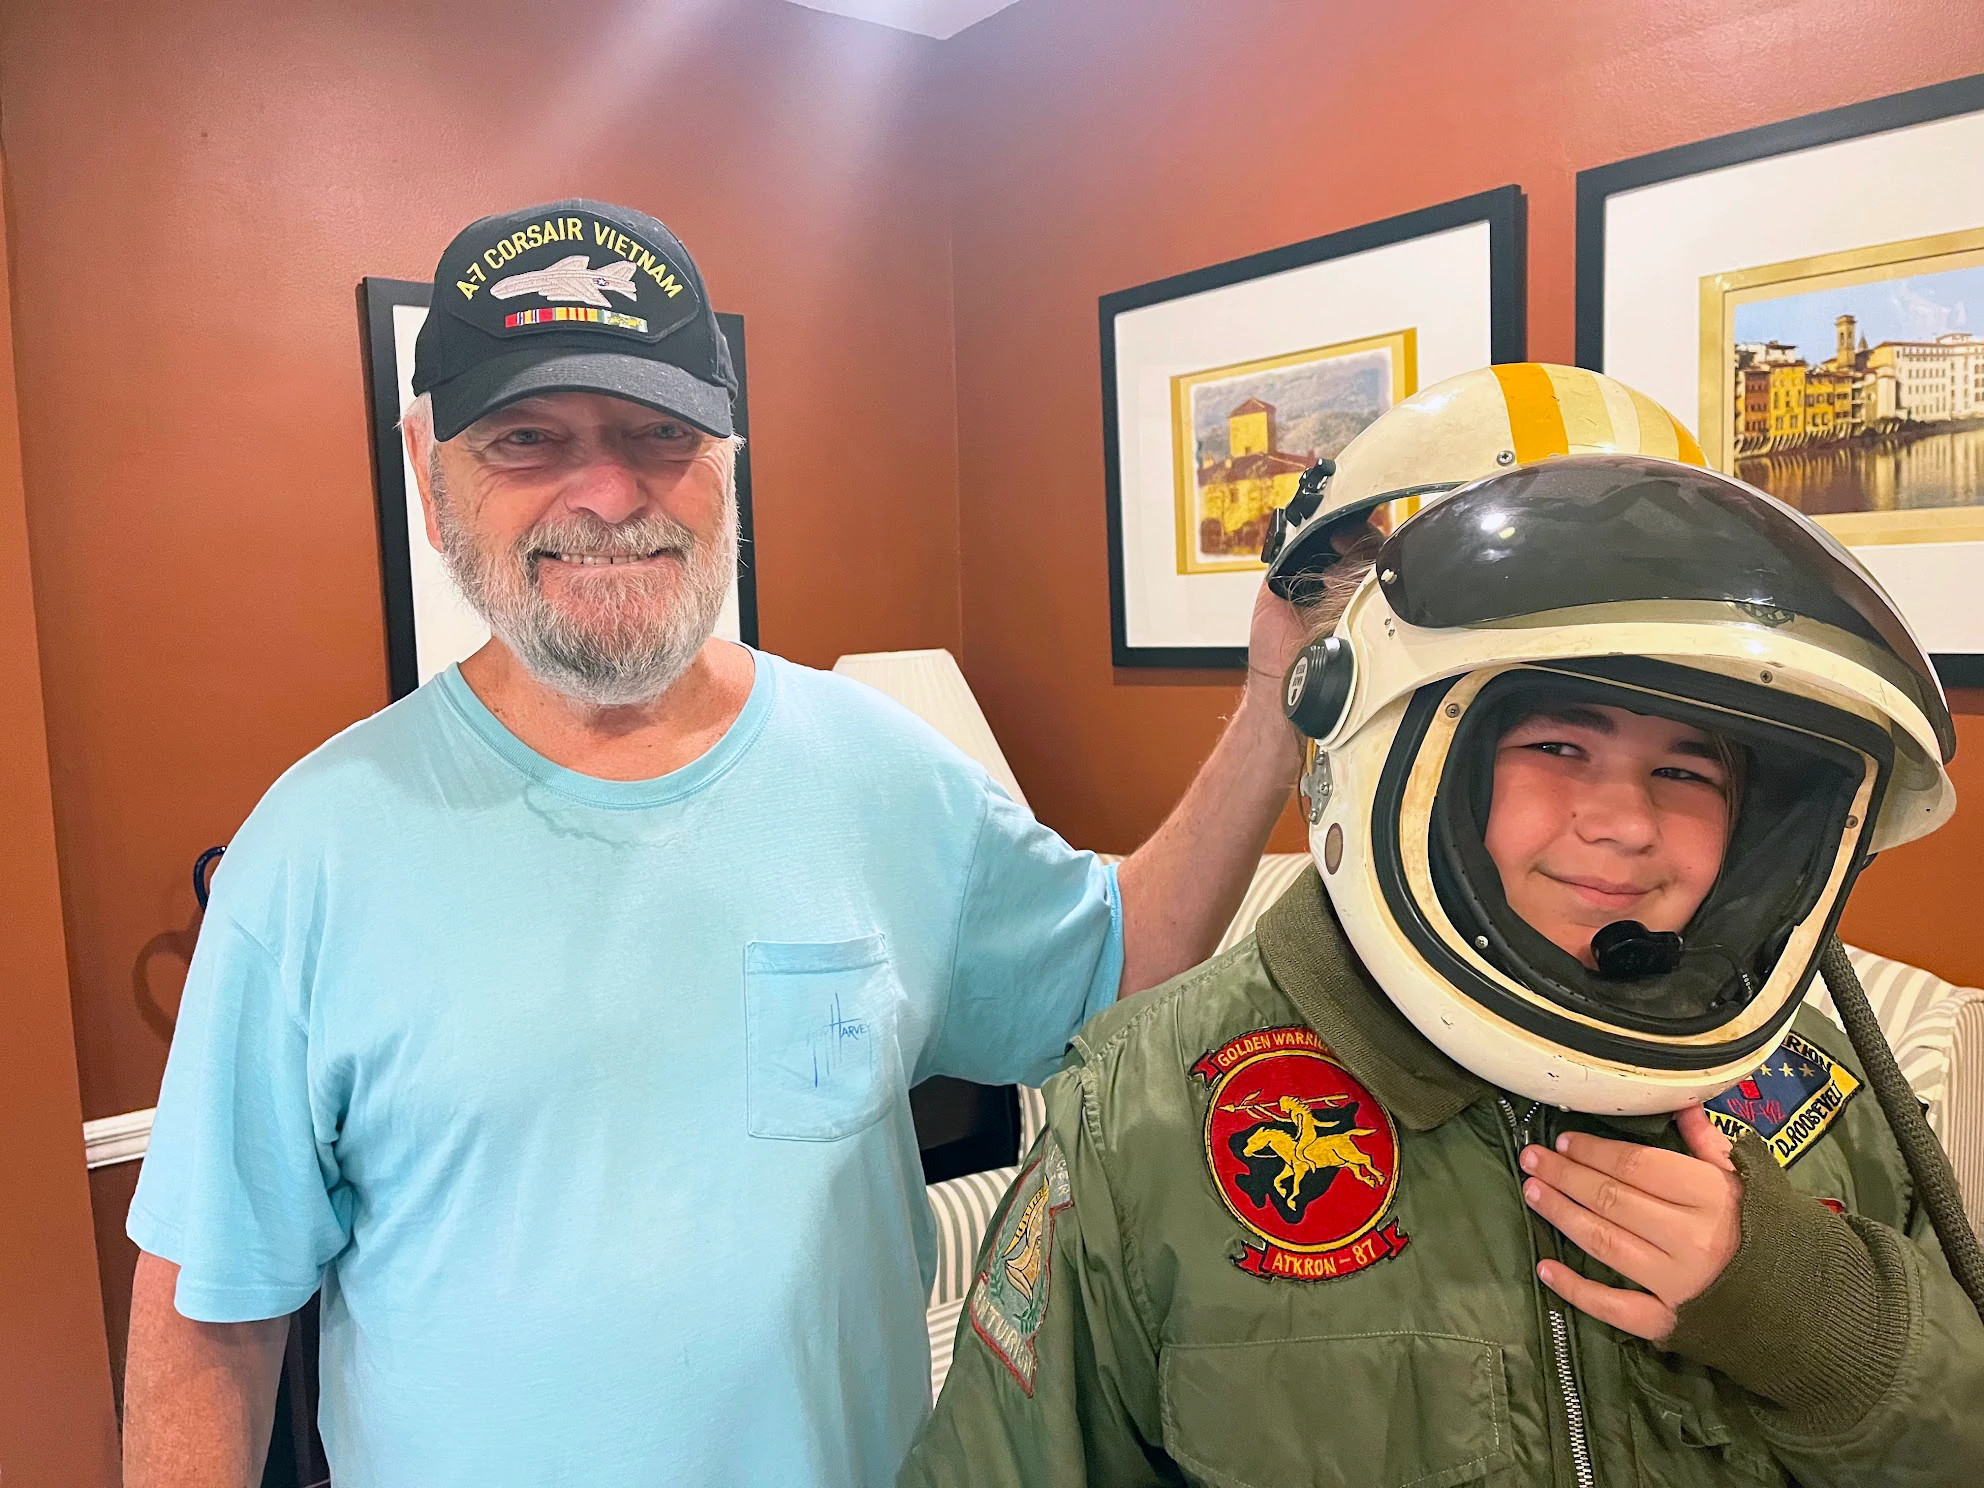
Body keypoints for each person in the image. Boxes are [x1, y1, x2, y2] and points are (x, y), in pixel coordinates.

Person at [120, 199, 1314, 1487]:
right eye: (529, 439)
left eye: (658, 434)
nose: (609, 492)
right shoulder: (316, 845)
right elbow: (211, 1313)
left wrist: (1269, 709)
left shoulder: (888, 775)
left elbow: (1123, 971)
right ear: (425, 464)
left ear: (728, 454)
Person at [902, 376, 1983, 1486]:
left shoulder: (1815, 1096)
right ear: (1391, 739)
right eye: (1557, 744)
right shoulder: (1143, 1114)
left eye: (1686, 767)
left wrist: (1824, 1326)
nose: (1623, 824)